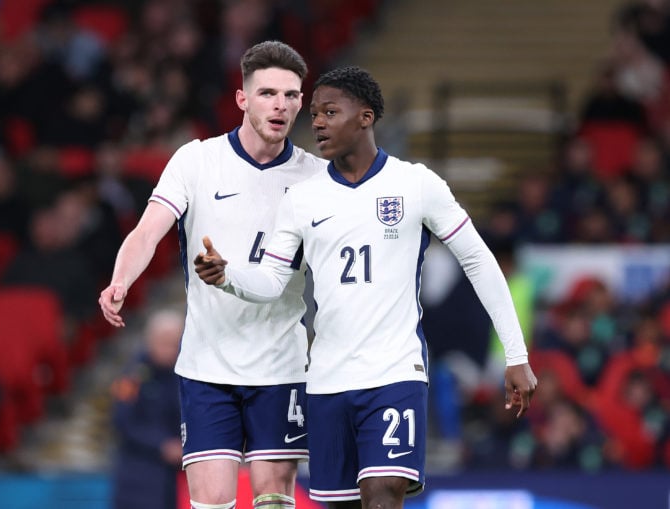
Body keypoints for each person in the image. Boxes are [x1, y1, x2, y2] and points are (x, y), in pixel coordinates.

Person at [195, 66, 538, 508]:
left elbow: (478, 260)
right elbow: (274, 280)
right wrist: (228, 277)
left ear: (366, 116)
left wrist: (516, 355)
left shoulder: (416, 185)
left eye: (330, 111)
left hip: (394, 373)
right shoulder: (302, 199)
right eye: (314, 113)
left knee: (382, 493)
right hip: (326, 381)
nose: (316, 122)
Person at [99, 40, 325, 509]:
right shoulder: (197, 161)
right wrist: (121, 280)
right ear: (243, 99)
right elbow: (147, 232)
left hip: (281, 363)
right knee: (212, 500)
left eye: (290, 95)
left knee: (273, 498)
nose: (279, 105)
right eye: (267, 93)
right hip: (207, 365)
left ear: (301, 101)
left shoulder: (316, 179)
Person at [111, 309, 184, 509]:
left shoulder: (182, 374)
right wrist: (162, 445)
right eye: (164, 342)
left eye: (175, 343)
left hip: (171, 479)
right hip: (137, 473)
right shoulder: (131, 376)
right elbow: (122, 421)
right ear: (150, 339)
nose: (170, 349)